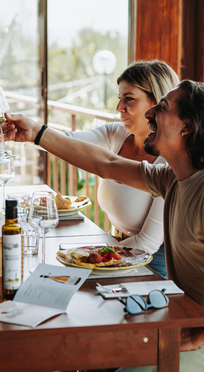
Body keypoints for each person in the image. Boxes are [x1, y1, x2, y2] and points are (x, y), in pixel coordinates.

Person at [5, 80, 204, 372]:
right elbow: (106, 163)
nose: (150, 114)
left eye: (162, 108)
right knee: (93, 352)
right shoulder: (176, 178)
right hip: (187, 316)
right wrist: (36, 133)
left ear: (187, 127)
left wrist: (199, 336)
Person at [63, 60, 178, 278]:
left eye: (129, 99)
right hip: (115, 245)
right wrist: (28, 130)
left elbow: (148, 243)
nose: (119, 108)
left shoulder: (170, 161)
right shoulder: (118, 135)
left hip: (153, 261)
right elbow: (67, 141)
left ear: (157, 103)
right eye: (120, 98)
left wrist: (91, 258)